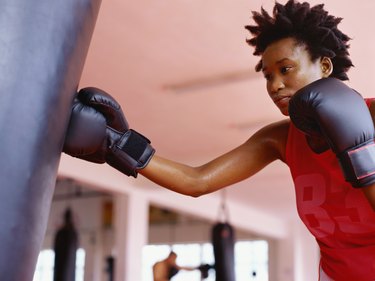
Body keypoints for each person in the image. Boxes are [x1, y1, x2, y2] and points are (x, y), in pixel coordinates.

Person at [63, 0, 375, 280]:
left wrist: (361, 151)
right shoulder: (280, 138)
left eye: (285, 69)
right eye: (267, 76)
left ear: (324, 65)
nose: (275, 85)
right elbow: (196, 181)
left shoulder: (372, 116)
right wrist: (117, 144)